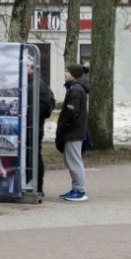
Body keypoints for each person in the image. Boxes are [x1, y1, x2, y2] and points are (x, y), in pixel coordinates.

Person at [54, 65, 90, 202]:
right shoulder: (75, 89)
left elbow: (71, 113)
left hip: (73, 133)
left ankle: (80, 191)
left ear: (73, 74)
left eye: (67, 71)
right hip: (74, 132)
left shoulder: (75, 90)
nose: (65, 73)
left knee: (74, 162)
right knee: (72, 161)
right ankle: (76, 188)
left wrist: (62, 126)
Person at [35, 72, 55, 195]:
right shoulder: (39, 83)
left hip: (35, 126)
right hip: (35, 125)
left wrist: (33, 118)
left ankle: (38, 187)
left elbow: (45, 107)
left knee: (35, 155)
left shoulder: (40, 85)